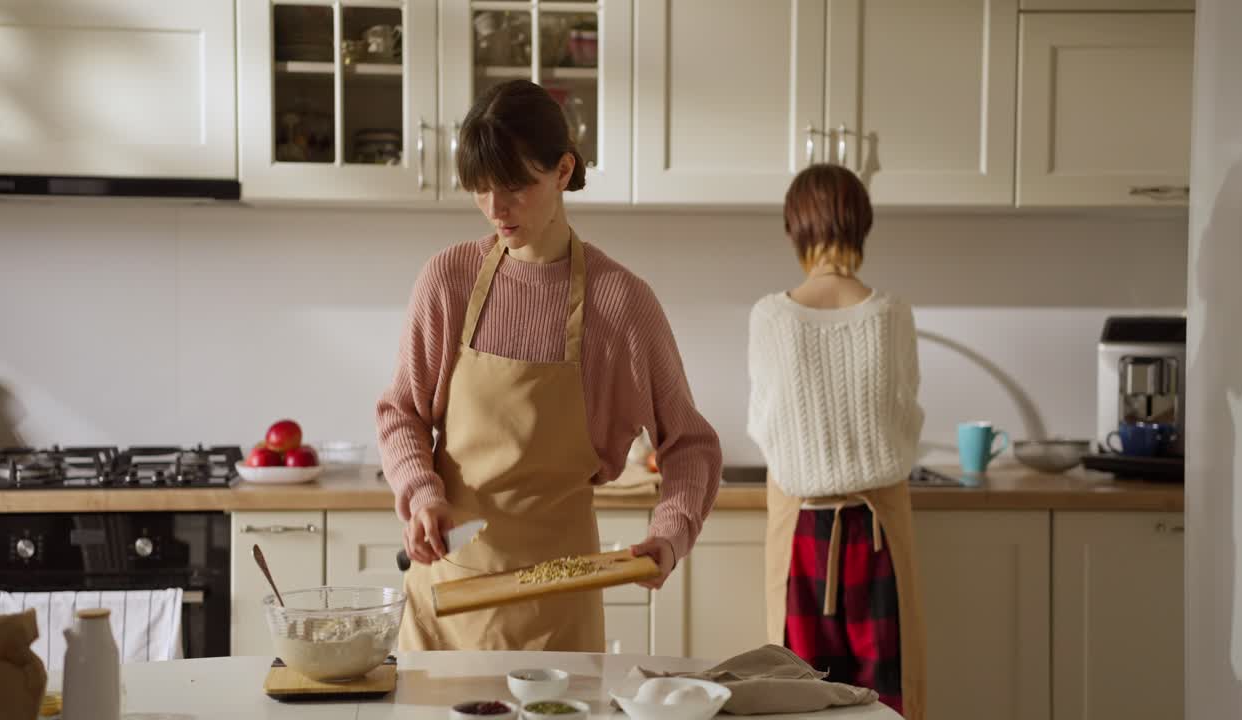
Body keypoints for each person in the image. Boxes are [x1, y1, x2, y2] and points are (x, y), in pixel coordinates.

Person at [376, 79, 721, 652]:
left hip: (557, 611)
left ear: (562, 172)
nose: (495, 210)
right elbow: (401, 412)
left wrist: (670, 534)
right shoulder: (448, 280)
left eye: (514, 187)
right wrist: (421, 493)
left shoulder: (621, 304)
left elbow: (690, 444)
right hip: (446, 605)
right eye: (480, 190)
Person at [747, 164, 926, 718]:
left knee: (799, 700)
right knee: (885, 702)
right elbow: (906, 418)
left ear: (795, 228)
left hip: (804, 530)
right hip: (877, 540)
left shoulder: (771, 315)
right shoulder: (891, 312)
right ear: (861, 225)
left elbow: (765, 426)